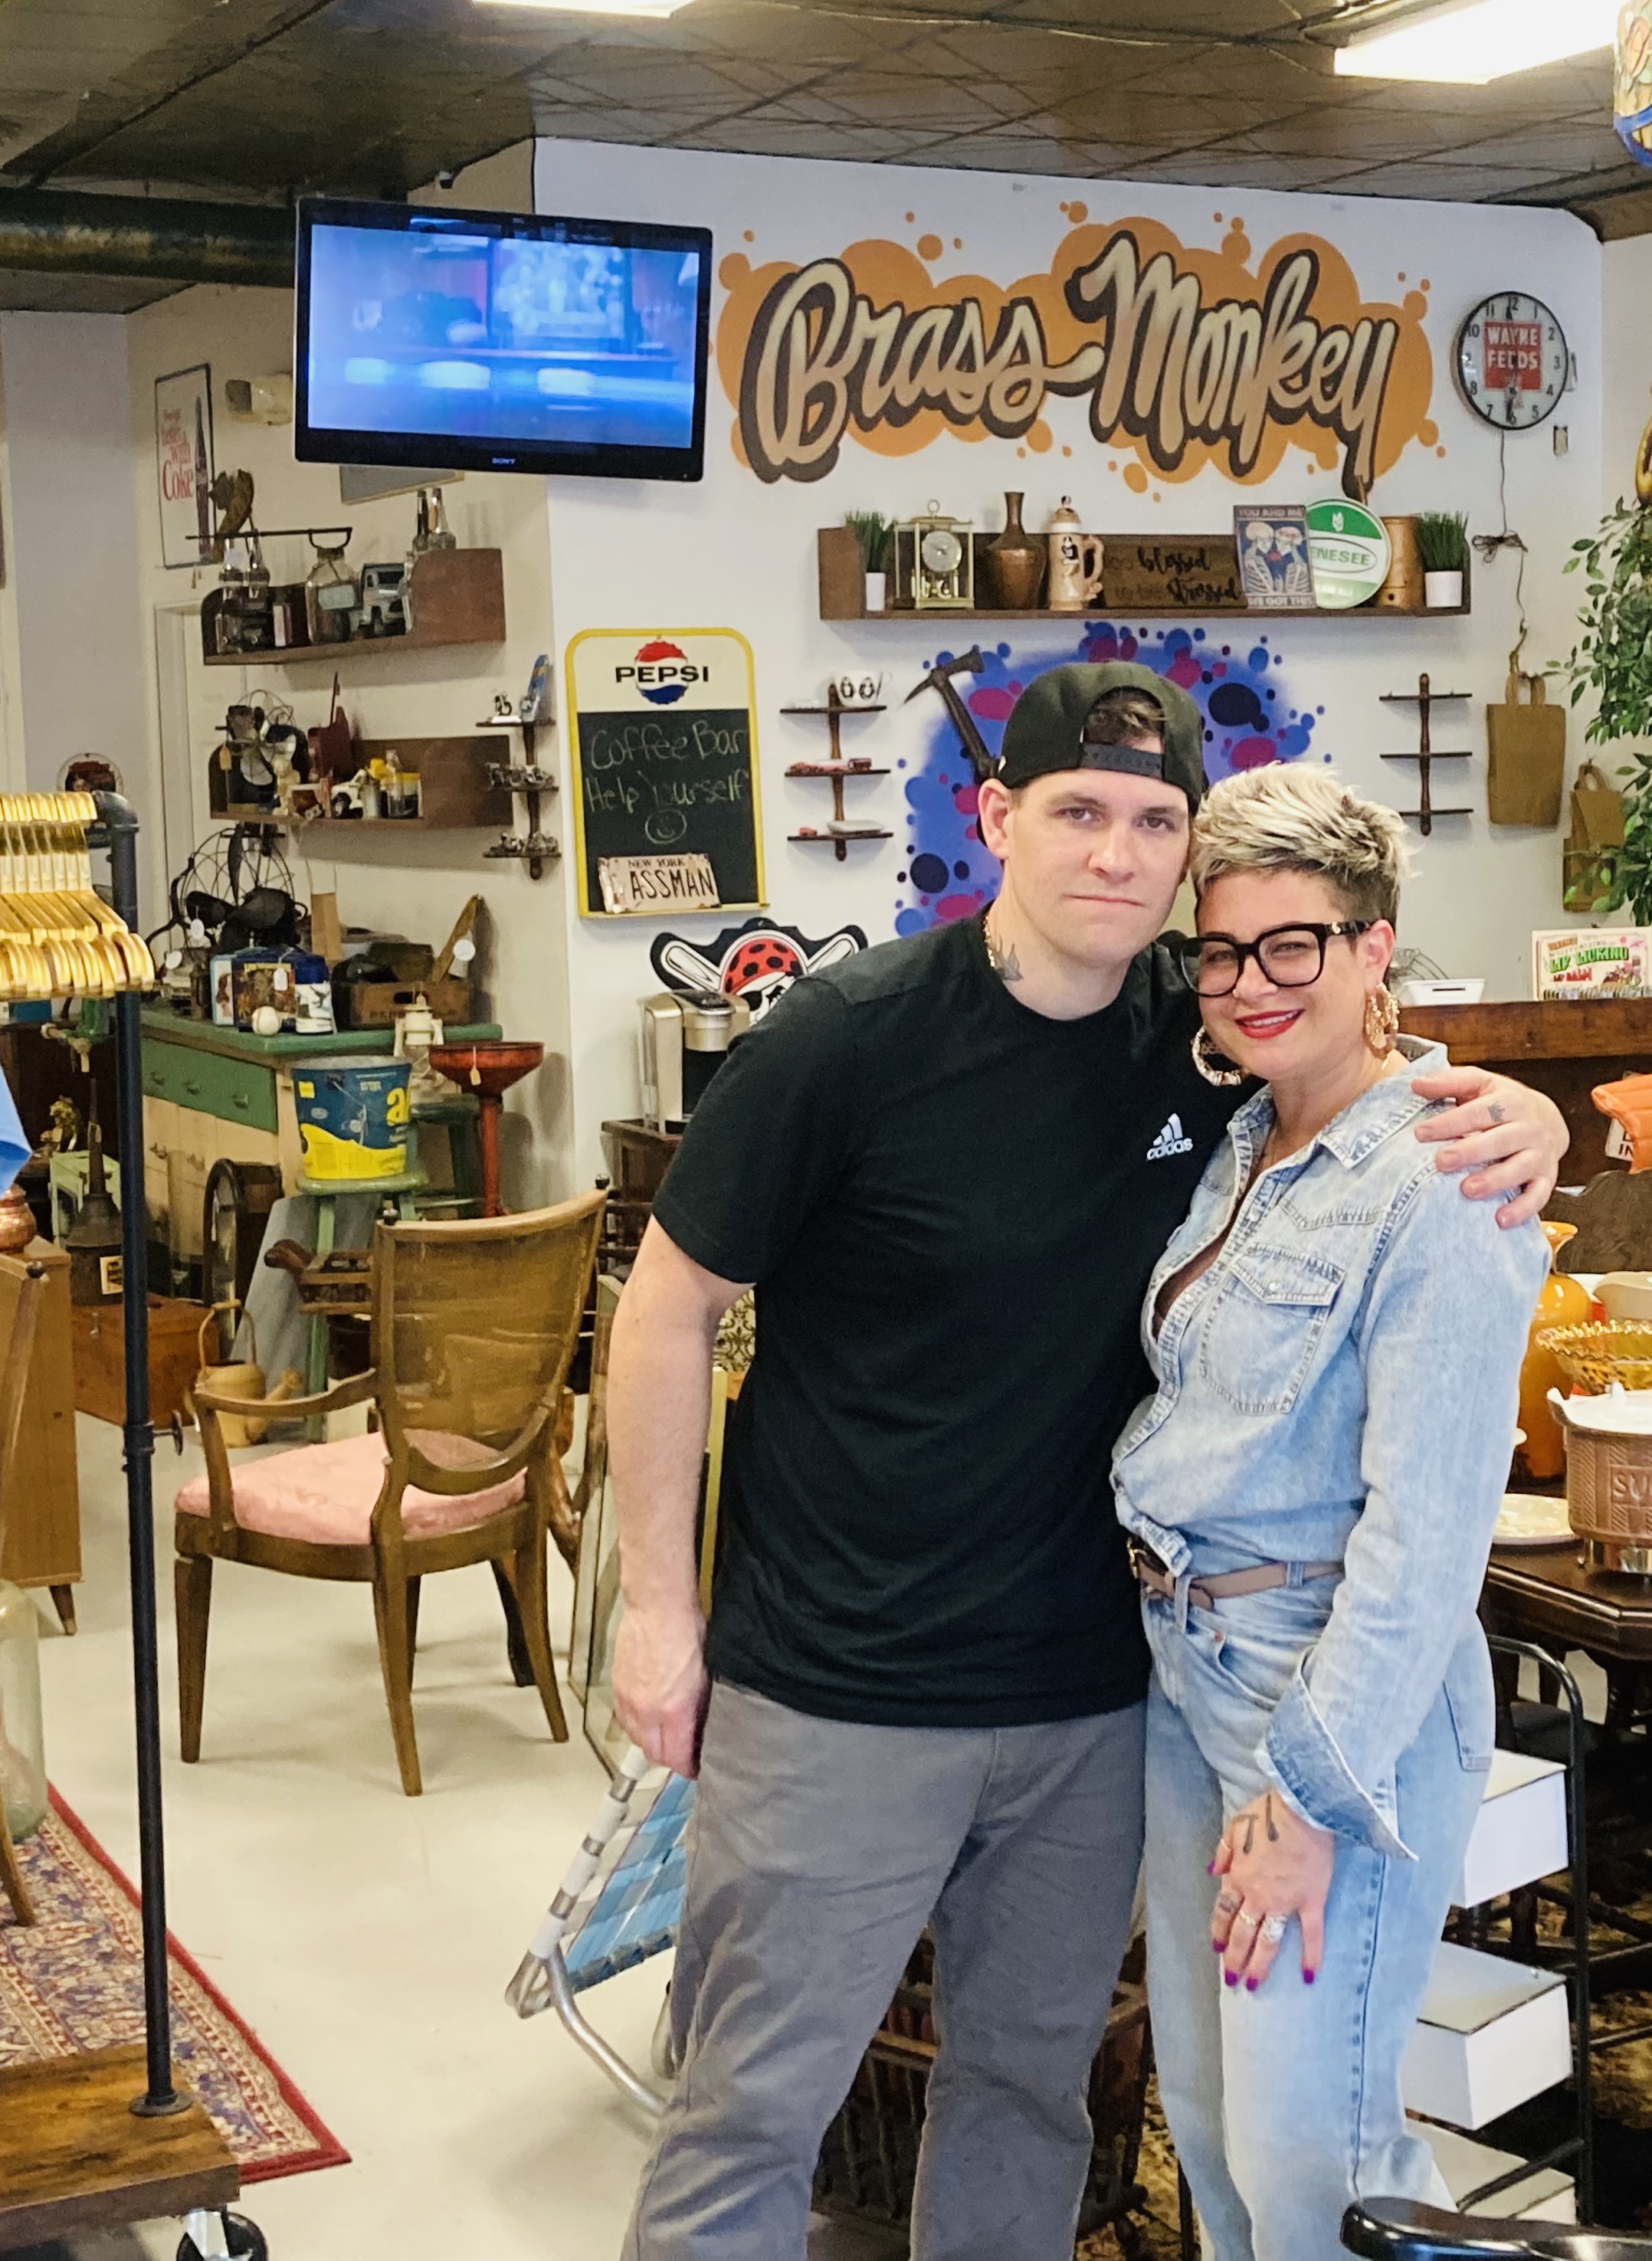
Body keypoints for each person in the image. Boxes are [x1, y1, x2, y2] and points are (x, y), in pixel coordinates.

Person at [607, 661, 1568, 2261]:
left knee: (1030, 2092)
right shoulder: (840, 1045)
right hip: (839, 1689)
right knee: (750, 2113)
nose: (1114, 854)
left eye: (1151, 821)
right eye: (1076, 812)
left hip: (1093, 1703)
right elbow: (664, 1312)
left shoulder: (1195, 1051)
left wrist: (1521, 1114)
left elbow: (1361, 1079)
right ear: (997, 821)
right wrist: (657, 1608)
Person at [1115, 766, 1542, 2259]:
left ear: (1375, 946)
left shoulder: (1441, 1178)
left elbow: (1429, 1537)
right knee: (1223, 2137)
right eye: (1221, 953)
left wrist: (1309, 1796)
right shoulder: (1250, 1143)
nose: (1249, 984)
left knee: (1322, 2158)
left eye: (1292, 945)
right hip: (1190, 1679)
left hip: (1323, 1710)